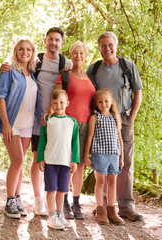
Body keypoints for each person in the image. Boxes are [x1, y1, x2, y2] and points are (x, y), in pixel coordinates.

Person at [0, 27, 72, 216]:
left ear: (61, 43)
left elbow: (79, 73)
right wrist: (4, 66)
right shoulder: (22, 67)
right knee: (23, 160)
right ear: (45, 41)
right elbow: (1, 94)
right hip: (24, 121)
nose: (53, 43)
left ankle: (16, 199)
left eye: (57, 40)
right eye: (50, 39)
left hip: (42, 121)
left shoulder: (57, 66)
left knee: (24, 161)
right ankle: (20, 200)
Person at [86, 31, 144, 221]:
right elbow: (84, 89)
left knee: (125, 162)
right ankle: (103, 206)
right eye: (103, 45)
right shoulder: (94, 70)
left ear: (116, 46)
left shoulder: (128, 66)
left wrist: (131, 117)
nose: (107, 49)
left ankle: (126, 206)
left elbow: (138, 92)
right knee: (102, 163)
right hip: (101, 121)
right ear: (99, 48)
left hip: (124, 119)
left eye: (110, 45)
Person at [0, 37, 41, 219]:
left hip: (28, 124)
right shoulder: (9, 70)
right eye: (21, 49)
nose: (25, 52)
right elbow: (1, 96)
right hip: (12, 124)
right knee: (18, 161)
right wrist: (6, 123)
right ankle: (9, 200)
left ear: (32, 53)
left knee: (20, 163)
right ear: (16, 51)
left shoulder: (33, 74)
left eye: (28, 49)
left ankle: (17, 198)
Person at [54, 41, 95, 220]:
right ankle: (63, 201)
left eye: (81, 53)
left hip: (86, 125)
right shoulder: (65, 76)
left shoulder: (91, 78)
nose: (78, 56)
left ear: (86, 56)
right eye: (75, 53)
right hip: (68, 125)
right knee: (66, 164)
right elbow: (56, 98)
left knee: (79, 166)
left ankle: (76, 202)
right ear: (71, 55)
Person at [37, 89, 80, 229]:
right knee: (51, 189)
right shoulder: (48, 120)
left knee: (62, 190)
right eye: (55, 103)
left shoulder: (71, 122)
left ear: (67, 103)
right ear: (51, 104)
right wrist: (40, 158)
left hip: (65, 163)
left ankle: (60, 214)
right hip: (50, 161)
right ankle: (52, 215)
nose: (58, 106)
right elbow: (42, 141)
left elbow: (75, 143)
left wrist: (75, 160)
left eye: (61, 102)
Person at [84, 88, 124, 225]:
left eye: (106, 101)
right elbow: (89, 138)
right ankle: (101, 211)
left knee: (112, 182)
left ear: (111, 102)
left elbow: (120, 138)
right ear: (96, 103)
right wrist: (86, 156)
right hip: (99, 154)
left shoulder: (115, 117)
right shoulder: (95, 118)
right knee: (100, 182)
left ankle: (112, 211)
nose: (103, 104)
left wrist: (121, 156)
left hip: (114, 154)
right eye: (100, 102)